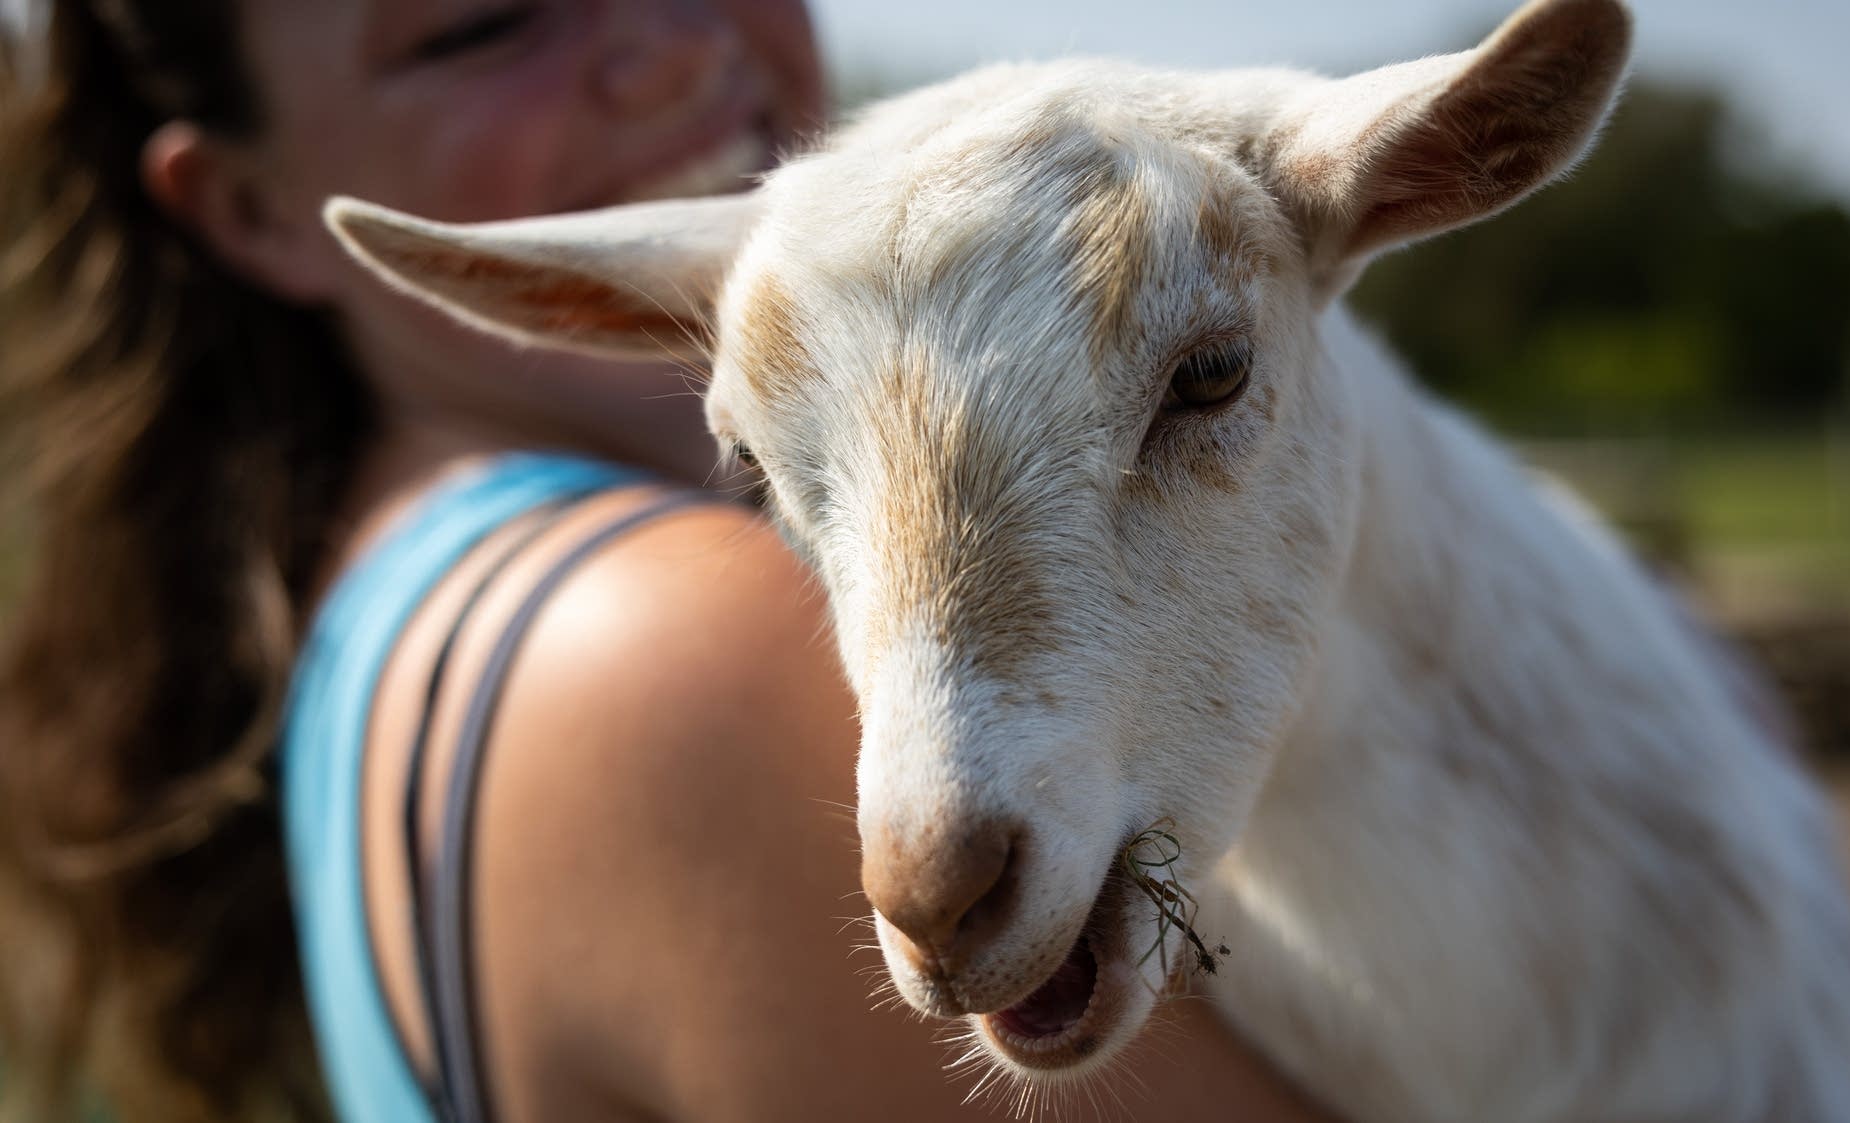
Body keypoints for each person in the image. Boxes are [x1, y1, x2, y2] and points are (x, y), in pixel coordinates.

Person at [0, 2, 1346, 1121]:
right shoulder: (667, 656)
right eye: (480, 23)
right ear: (248, 208)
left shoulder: (379, 600)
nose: (670, 48)